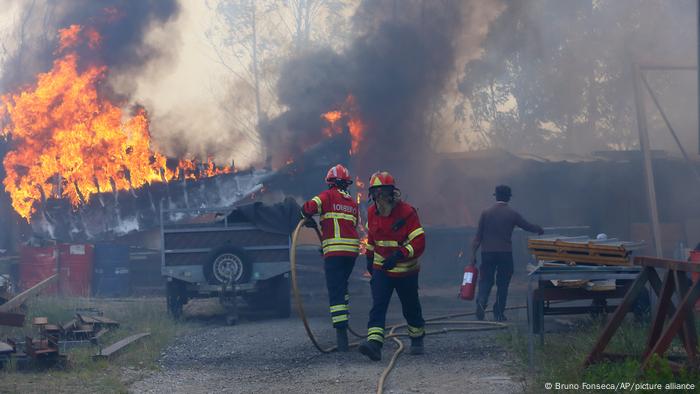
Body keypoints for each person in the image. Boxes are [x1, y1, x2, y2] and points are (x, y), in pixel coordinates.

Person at [358, 171, 426, 361]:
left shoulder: (407, 212)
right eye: (376, 193)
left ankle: (417, 337)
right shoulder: (372, 211)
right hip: (382, 270)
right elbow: (372, 237)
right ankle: (375, 345)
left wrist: (399, 254)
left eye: (383, 192)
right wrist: (370, 259)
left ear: (392, 193)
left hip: (406, 271)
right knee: (378, 306)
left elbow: (419, 242)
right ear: (372, 195)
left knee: (410, 306)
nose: (380, 197)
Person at [301, 164, 360, 351]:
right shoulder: (352, 203)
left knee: (335, 291)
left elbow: (309, 207)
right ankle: (344, 323)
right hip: (351, 253)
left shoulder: (326, 196)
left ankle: (341, 338)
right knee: (342, 287)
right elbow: (350, 225)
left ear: (330, 183)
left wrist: (305, 215)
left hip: (335, 253)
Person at [471, 185, 543, 321]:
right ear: (508, 197)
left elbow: (477, 237)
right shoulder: (512, 214)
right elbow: (527, 226)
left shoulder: (485, 213)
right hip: (505, 253)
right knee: (503, 284)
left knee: (486, 280)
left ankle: (481, 302)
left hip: (487, 253)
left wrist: (473, 255)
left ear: (496, 196)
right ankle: (498, 313)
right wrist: (538, 229)